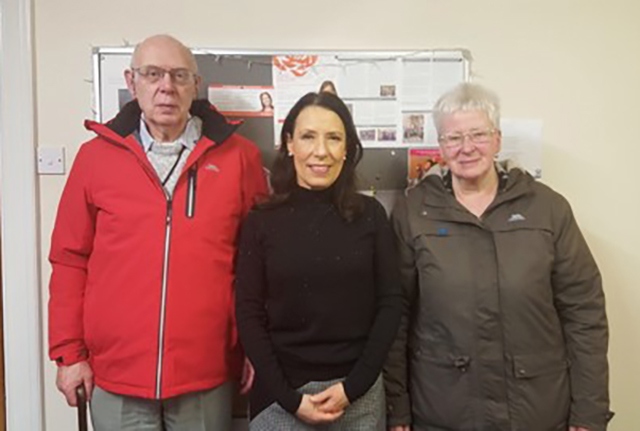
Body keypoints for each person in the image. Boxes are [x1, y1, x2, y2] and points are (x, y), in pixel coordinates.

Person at [48, 34, 268, 431]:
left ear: (195, 85)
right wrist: (68, 354)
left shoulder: (239, 158)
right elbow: (69, 259)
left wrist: (257, 346)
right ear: (132, 83)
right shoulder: (95, 158)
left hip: (206, 374)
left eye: (179, 75)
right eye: (153, 74)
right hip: (116, 375)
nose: (166, 86)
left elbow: (259, 262)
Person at [385, 83, 612, 431]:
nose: (466, 148)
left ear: (497, 140)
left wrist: (589, 412)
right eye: (453, 138)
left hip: (537, 412)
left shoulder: (547, 208)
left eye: (477, 134)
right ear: (441, 147)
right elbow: (394, 316)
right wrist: (396, 410)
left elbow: (585, 314)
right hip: (443, 411)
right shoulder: (413, 212)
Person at [235, 91, 403, 430]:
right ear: (290, 144)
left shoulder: (371, 216)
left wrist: (352, 388)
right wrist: (290, 399)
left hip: (357, 396)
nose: (321, 151)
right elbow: (248, 313)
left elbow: (391, 303)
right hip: (280, 399)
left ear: (347, 149)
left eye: (334, 138)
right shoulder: (261, 221)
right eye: (308, 136)